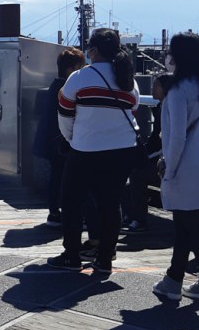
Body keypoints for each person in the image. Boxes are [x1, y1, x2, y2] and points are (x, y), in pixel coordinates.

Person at [48, 28, 139, 275]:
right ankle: (105, 258)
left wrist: (71, 139)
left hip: (86, 149)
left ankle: (71, 256)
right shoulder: (129, 81)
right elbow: (133, 108)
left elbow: (65, 113)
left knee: (71, 201)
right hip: (123, 150)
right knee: (111, 203)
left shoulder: (79, 77)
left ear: (94, 51)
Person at [153, 33, 199, 302]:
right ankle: (173, 278)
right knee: (185, 222)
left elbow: (176, 136)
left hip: (183, 166)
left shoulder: (178, 89)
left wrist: (168, 169)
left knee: (190, 223)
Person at [32, 47, 85, 226]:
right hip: (63, 141)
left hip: (51, 140)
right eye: (80, 66)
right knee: (70, 179)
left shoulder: (55, 85)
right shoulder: (66, 88)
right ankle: (71, 214)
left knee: (57, 176)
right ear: (71, 68)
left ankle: (54, 212)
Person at [122, 73, 170, 234]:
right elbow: (156, 140)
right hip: (161, 157)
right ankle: (130, 215)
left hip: (167, 161)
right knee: (129, 169)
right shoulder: (161, 108)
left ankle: (139, 219)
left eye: (156, 85)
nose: (152, 88)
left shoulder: (169, 109)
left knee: (136, 174)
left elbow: (163, 142)